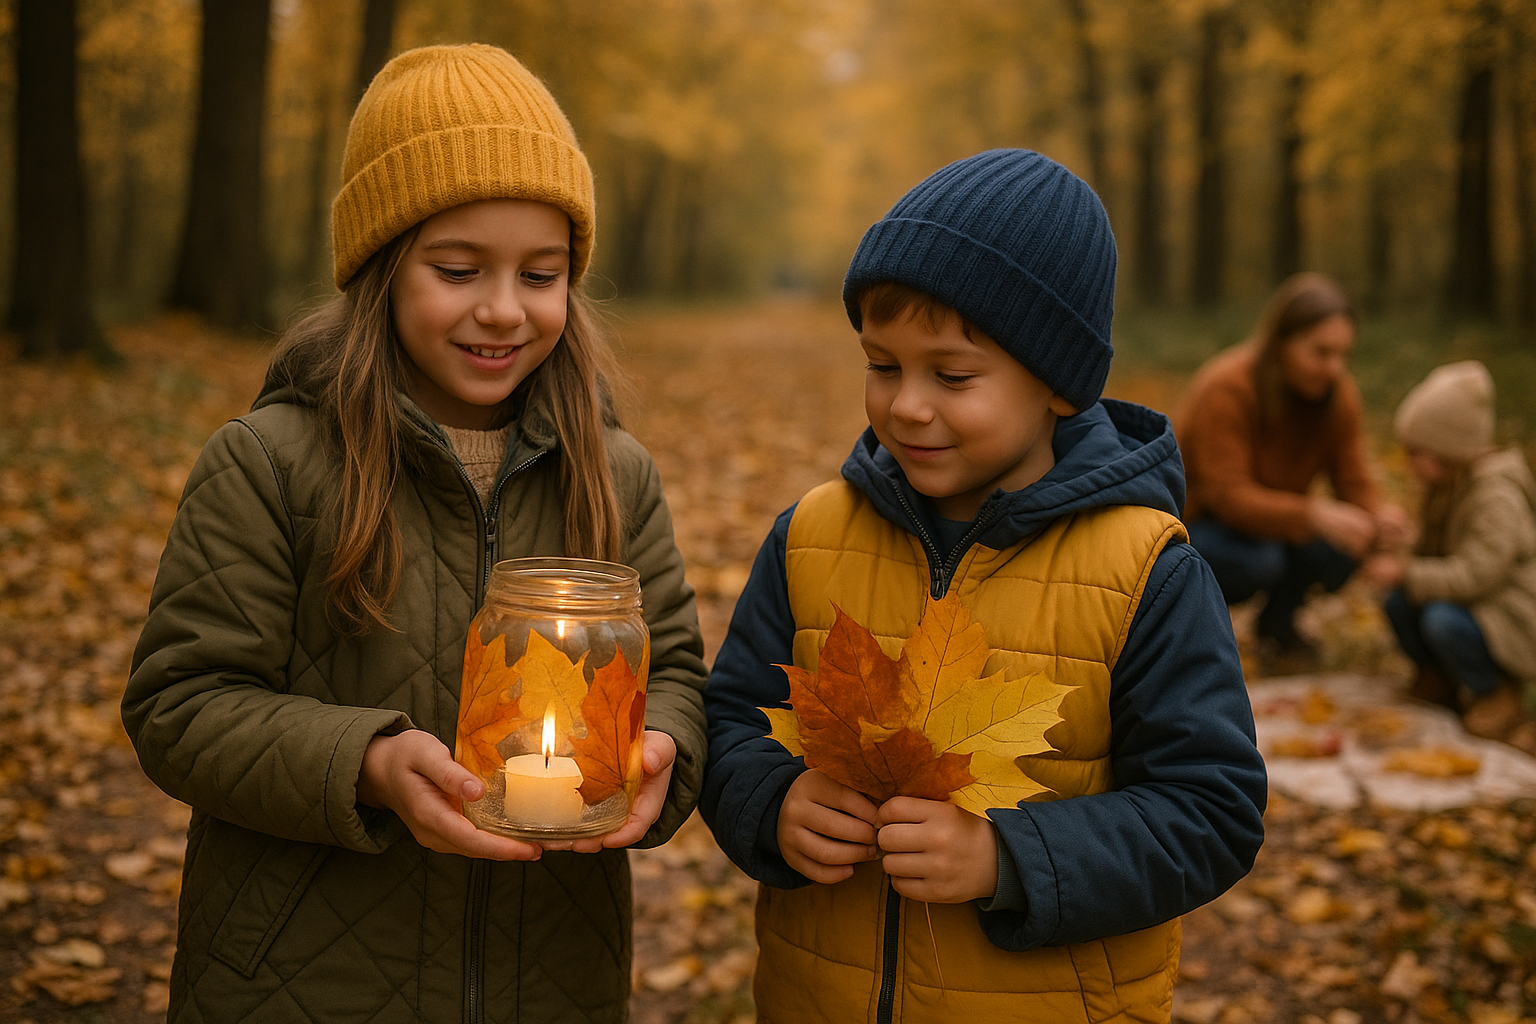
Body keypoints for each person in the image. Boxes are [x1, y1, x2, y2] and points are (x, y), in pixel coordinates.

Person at [121, 45, 707, 1024]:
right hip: (307, 982)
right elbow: (180, 705)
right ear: (381, 269)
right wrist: (368, 765)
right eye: (458, 268)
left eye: (542, 273)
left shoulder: (614, 474)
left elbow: (679, 673)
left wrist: (661, 757)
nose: (503, 309)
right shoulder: (270, 463)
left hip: (549, 973)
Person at [700, 150, 1266, 1023]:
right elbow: (731, 721)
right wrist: (771, 803)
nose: (908, 406)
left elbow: (1210, 812)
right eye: (882, 366)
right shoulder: (811, 536)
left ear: (1058, 385)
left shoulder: (1145, 569)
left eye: (953, 376)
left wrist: (1011, 858)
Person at [1175, 273, 1408, 662]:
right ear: (1282, 343)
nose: (1334, 367)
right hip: (1200, 525)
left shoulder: (1336, 394)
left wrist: (1378, 520)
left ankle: (1279, 630)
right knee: (1260, 562)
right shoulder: (1228, 387)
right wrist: (1313, 514)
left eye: (1343, 354)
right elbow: (1227, 496)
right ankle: (1192, 638)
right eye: (1321, 352)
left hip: (1274, 526)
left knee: (1344, 543)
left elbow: (1353, 479)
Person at [1361, 361, 1536, 748]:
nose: (1408, 462)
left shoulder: (1496, 497)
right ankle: (1437, 679)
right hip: (1476, 604)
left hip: (1508, 616)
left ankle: (1496, 693)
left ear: (1445, 450)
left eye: (1415, 452)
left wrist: (1404, 571)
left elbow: (1476, 575)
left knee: (1441, 617)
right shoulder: (1449, 486)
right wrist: (1404, 542)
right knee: (1400, 602)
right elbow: (1436, 553)